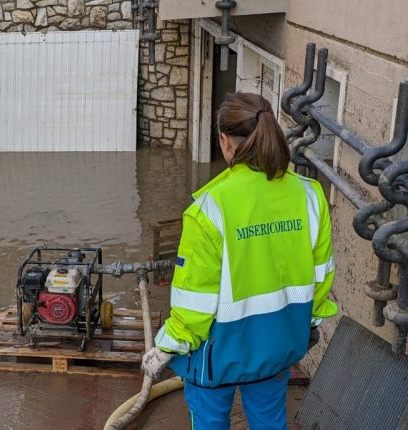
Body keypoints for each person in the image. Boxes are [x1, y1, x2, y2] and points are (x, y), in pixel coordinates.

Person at [141, 92, 338, 429]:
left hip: (218, 353)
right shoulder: (310, 195)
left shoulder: (209, 209)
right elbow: (321, 276)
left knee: (210, 422)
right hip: (279, 345)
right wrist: (312, 323)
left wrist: (166, 346)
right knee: (269, 421)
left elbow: (195, 302)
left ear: (224, 141)